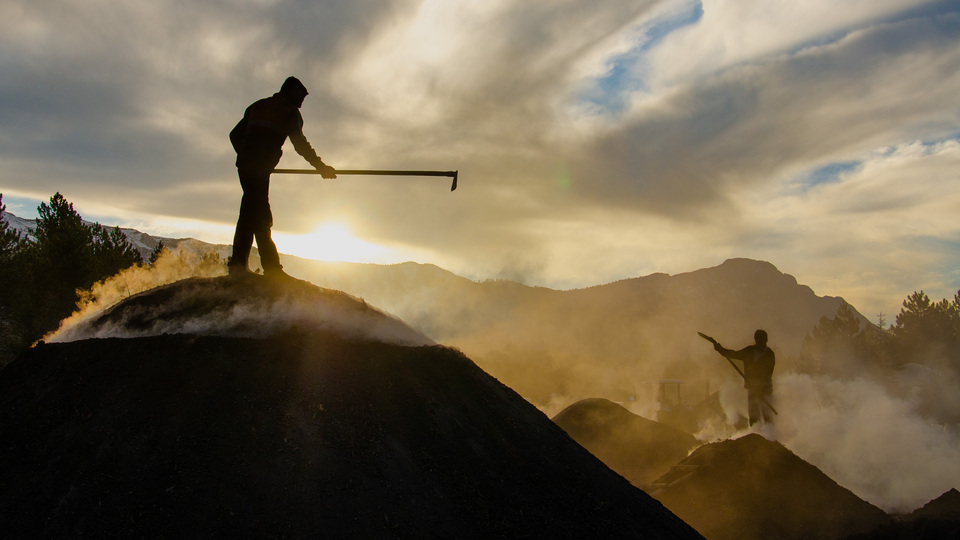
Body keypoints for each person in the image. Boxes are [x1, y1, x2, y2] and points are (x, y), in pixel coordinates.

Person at [227, 76, 336, 278]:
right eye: (301, 98)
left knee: (251, 211)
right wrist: (321, 167)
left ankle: (240, 265)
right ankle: (269, 270)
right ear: (292, 94)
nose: (301, 104)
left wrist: (245, 156)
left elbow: (234, 135)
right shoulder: (290, 113)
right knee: (260, 214)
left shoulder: (258, 106)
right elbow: (300, 145)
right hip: (259, 168)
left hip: (245, 166)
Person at [714, 329, 776, 426]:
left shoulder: (769, 354)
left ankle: (770, 434)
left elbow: (768, 373)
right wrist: (721, 350)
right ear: (755, 340)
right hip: (752, 388)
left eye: (762, 339)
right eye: (758, 339)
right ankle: (756, 433)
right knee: (753, 416)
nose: (760, 342)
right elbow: (734, 354)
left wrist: (759, 387)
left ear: (766, 340)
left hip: (765, 390)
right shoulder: (749, 351)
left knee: (767, 415)